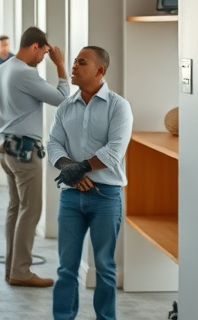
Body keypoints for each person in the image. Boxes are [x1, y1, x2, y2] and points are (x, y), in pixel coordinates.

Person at [47, 46, 132, 320]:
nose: (73, 66)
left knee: (105, 267)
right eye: (73, 62)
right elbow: (53, 144)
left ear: (100, 70)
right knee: (66, 268)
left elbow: (115, 149)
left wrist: (80, 168)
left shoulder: (119, 106)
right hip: (71, 198)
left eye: (81, 62)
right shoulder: (64, 107)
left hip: (106, 197)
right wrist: (69, 170)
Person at [0, 27, 68, 289]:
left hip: (6, 148)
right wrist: (60, 66)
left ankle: (12, 269)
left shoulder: (2, 69)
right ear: (35, 46)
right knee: (30, 210)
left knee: (16, 208)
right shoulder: (24, 73)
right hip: (25, 153)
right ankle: (22, 272)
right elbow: (62, 99)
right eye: (44, 52)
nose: (43, 59)